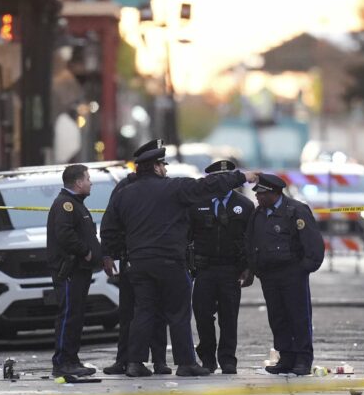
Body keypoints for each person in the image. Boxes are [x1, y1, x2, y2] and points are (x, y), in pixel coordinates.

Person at [101, 146, 258, 377]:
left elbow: (110, 226)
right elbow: (207, 186)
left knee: (143, 312)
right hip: (170, 262)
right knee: (178, 313)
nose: (165, 169)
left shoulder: (125, 193)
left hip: (139, 263)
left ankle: (134, 362)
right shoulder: (174, 188)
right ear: (155, 167)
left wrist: (108, 254)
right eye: (163, 165)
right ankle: (186, 363)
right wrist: (242, 176)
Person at [102, 139, 170, 375]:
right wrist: (109, 254)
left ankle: (159, 360)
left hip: (149, 258)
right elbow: (110, 224)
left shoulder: (165, 186)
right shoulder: (124, 188)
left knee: (157, 312)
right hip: (130, 258)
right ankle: (125, 359)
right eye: (161, 164)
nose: (164, 169)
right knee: (129, 313)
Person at [245, 173, 324, 376]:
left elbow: (313, 243)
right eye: (257, 194)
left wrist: (303, 268)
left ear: (275, 193)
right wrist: (255, 268)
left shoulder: (296, 210)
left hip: (292, 273)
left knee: (298, 317)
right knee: (278, 317)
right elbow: (251, 241)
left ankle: (303, 359)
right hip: (269, 275)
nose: (258, 197)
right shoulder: (258, 214)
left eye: (262, 194)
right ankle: (286, 357)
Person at [188, 160, 255, 374]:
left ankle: (228, 359)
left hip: (230, 269)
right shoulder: (197, 203)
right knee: (202, 315)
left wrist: (249, 268)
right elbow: (187, 236)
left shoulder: (244, 205)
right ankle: (207, 358)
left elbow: (250, 240)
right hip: (204, 268)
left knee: (229, 316)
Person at [46, 164, 102, 377]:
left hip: (80, 270)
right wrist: (86, 251)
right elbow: (65, 234)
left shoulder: (75, 203)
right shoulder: (66, 204)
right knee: (69, 315)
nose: (91, 182)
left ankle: (72, 359)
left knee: (76, 316)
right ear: (78, 182)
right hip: (70, 270)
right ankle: (62, 362)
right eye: (88, 178)